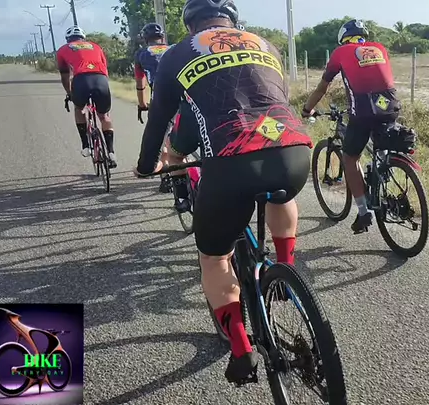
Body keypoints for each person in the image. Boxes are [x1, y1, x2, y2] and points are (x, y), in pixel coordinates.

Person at [132, 0, 313, 384]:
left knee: (214, 259)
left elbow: (161, 118)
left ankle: (241, 350)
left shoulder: (178, 53)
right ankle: (285, 271)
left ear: (190, 25)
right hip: (294, 152)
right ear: (233, 20)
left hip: (231, 163)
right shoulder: (265, 43)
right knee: (282, 195)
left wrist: (148, 165)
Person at [301, 19, 401, 234]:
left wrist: (307, 109)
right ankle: (383, 174)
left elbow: (322, 87)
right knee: (381, 144)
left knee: (350, 158)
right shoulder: (379, 48)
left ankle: (364, 211)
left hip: (363, 110)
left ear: (343, 38)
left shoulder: (340, 52)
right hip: (390, 105)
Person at [56, 26, 118, 168]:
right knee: (104, 116)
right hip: (101, 80)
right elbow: (105, 68)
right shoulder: (95, 46)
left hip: (81, 80)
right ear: (83, 38)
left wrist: (70, 93)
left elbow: (65, 75)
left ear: (68, 39)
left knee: (79, 109)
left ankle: (85, 145)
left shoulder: (63, 49)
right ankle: (111, 152)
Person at [133, 23, 174, 193]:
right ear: (162, 37)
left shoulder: (141, 54)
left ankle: (166, 177)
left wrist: (142, 104)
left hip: (160, 98)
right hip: (185, 95)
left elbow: (140, 83)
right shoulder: (174, 48)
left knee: (161, 136)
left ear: (145, 39)